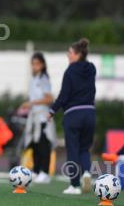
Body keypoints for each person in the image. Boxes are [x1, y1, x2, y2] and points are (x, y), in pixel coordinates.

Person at [48, 38, 96, 195]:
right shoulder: (91, 68)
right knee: (84, 149)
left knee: (73, 150)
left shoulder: (70, 71)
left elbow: (64, 96)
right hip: (89, 113)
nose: (68, 55)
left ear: (78, 54)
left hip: (73, 114)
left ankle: (74, 185)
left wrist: (52, 110)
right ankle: (87, 173)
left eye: (70, 52)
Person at [19, 52, 56, 184]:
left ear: (42, 65)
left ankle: (45, 172)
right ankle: (36, 170)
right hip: (34, 116)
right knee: (34, 144)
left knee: (43, 145)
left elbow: (49, 98)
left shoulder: (43, 79)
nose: (34, 66)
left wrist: (31, 103)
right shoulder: (33, 79)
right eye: (33, 64)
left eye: (37, 64)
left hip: (42, 117)